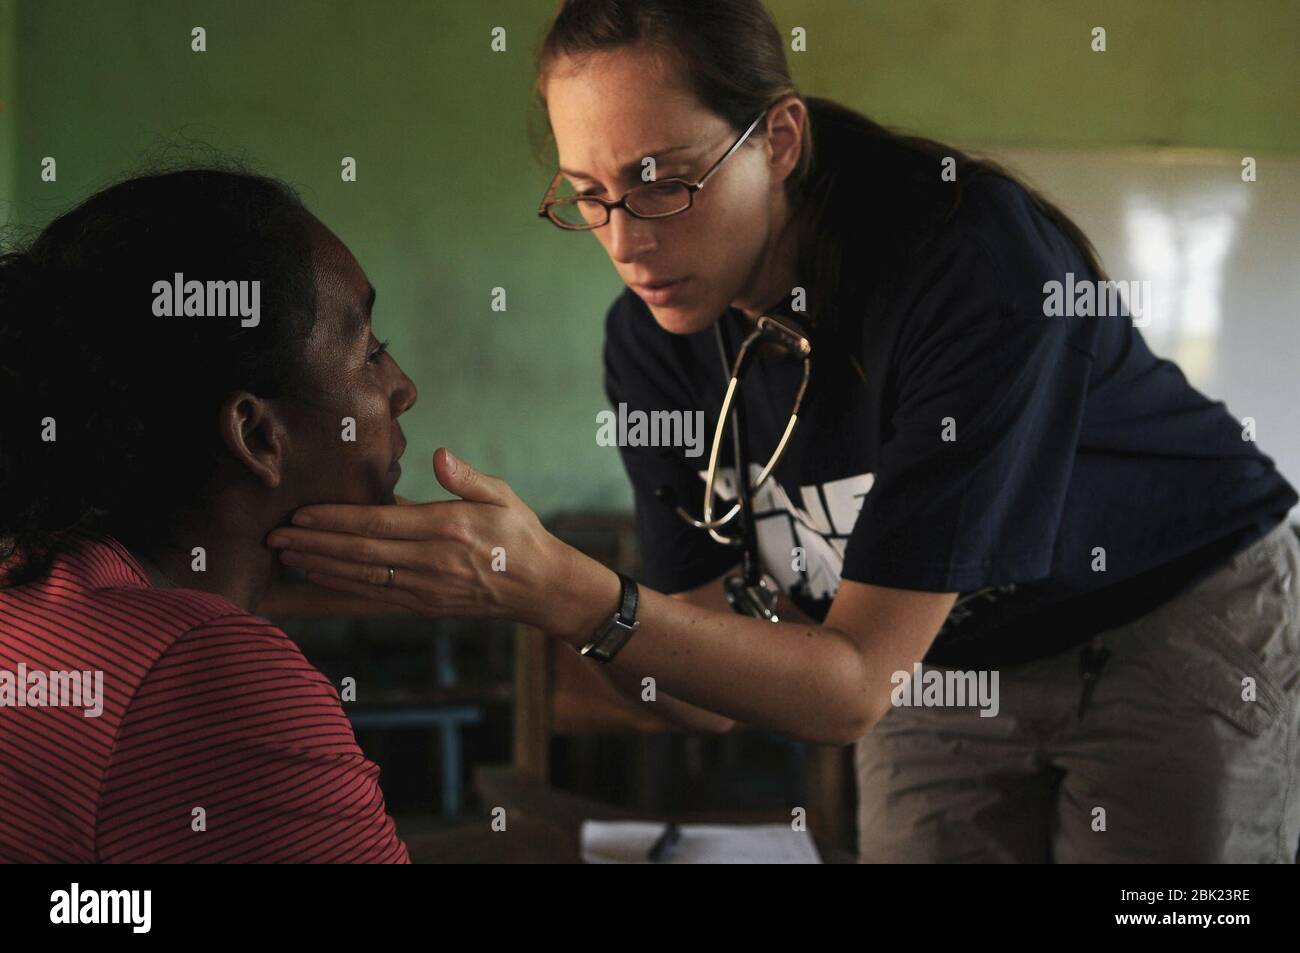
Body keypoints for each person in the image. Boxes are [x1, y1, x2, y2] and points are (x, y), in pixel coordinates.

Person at [268, 0, 1300, 862]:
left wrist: (564, 582)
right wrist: (534, 596)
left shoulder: (967, 263)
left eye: (661, 179)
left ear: (779, 139)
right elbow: (706, 689)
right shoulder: (654, 338)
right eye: (588, 197)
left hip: (1170, 614)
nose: (625, 239)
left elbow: (850, 685)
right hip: (937, 654)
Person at [0, 168, 417, 862]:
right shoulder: (211, 678)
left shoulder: (28, 594)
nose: (403, 388)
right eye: (369, 352)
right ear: (257, 436)